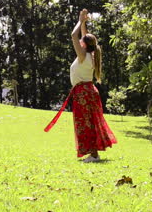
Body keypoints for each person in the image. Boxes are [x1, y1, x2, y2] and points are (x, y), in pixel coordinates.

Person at [44, 9, 117, 163]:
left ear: (84, 44)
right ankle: (93, 153)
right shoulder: (91, 54)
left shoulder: (83, 55)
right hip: (88, 91)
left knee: (86, 123)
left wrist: (79, 20)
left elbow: (73, 36)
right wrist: (84, 22)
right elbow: (84, 35)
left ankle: (94, 155)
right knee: (90, 122)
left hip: (83, 92)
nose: (80, 41)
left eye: (82, 41)